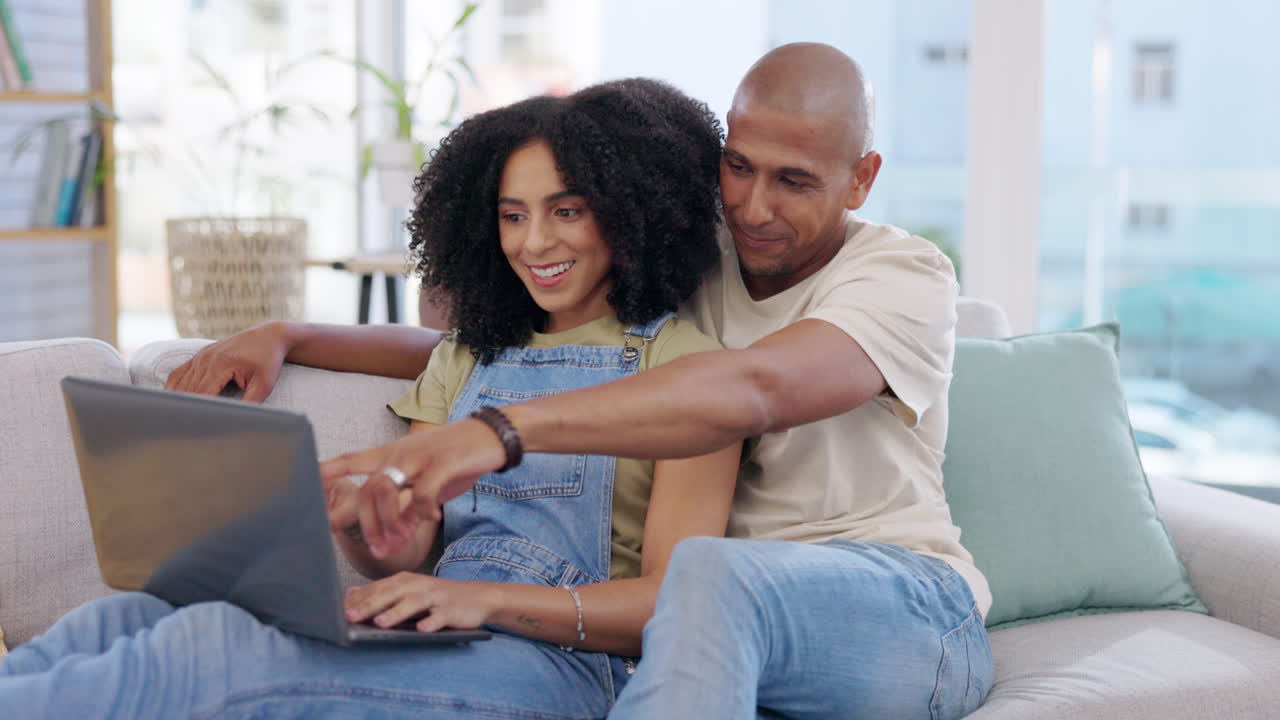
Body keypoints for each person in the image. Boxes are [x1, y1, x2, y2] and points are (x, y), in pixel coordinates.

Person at [173, 43, 995, 719]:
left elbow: (755, 390)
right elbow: (474, 339)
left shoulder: (904, 275)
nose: (752, 207)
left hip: (904, 606)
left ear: (861, 177)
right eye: (738, 166)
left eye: (795, 180)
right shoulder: (708, 244)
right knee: (697, 597)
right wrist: (289, 333)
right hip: (710, 627)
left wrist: (497, 433)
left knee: (705, 581)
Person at [0, 78, 742, 719]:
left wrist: (481, 603)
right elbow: (411, 557)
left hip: (569, 668)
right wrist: (373, 536)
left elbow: (672, 611)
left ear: (634, 210)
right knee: (123, 616)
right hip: (441, 632)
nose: (533, 243)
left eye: (567, 211)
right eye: (512, 216)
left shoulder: (687, 370)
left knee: (210, 654)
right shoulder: (469, 358)